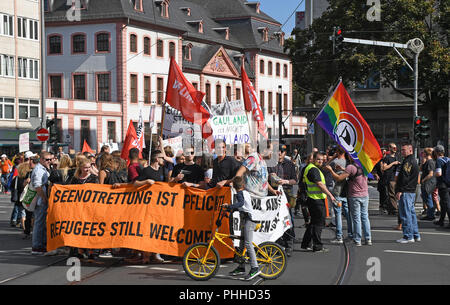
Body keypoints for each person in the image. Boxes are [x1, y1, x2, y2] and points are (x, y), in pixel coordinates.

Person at [129, 150, 165, 264]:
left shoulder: (162, 170)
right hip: (147, 205)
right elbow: (135, 184)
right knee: (146, 229)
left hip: (159, 205)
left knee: (157, 229)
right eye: (161, 158)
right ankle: (145, 256)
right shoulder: (147, 170)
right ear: (156, 159)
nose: (163, 159)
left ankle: (155, 254)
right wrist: (146, 181)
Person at [327, 157, 371, 246]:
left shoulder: (350, 167)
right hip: (365, 195)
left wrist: (331, 170)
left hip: (355, 195)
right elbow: (356, 172)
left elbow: (339, 178)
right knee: (365, 217)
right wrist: (343, 169)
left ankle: (357, 240)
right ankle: (368, 239)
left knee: (356, 218)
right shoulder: (365, 166)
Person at [225, 176, 261, 281]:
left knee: (248, 243)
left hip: (250, 220)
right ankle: (241, 267)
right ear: (243, 185)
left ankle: (255, 268)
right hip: (246, 220)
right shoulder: (244, 192)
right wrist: (229, 209)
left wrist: (229, 206)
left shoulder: (240, 194)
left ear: (234, 187)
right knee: (241, 243)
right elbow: (242, 206)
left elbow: (240, 204)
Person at [300, 151, 336, 252]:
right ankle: (317, 246)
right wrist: (330, 195)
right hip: (316, 199)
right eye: (318, 159)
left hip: (313, 198)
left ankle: (306, 243)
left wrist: (333, 157)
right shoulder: (313, 170)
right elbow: (320, 184)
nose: (320, 161)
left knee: (313, 222)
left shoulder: (310, 168)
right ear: (313, 159)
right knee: (319, 223)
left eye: (321, 160)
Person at [268, 144, 298, 256]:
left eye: (282, 151)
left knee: (287, 218)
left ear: (285, 153)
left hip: (286, 193)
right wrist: (271, 177)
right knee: (274, 219)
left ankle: (289, 243)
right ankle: (277, 243)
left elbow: (295, 180)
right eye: (278, 151)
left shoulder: (289, 164)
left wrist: (285, 181)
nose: (279, 153)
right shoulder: (270, 163)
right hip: (273, 194)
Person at [324, 147, 353, 243]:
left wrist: (332, 158)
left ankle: (339, 236)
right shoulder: (349, 163)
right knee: (348, 213)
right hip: (346, 191)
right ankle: (350, 234)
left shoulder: (335, 162)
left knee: (338, 214)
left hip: (337, 190)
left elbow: (325, 167)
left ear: (337, 152)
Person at [395, 143, 421, 243]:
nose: (402, 152)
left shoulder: (408, 162)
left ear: (410, 150)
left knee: (405, 215)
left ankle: (408, 236)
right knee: (411, 214)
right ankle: (415, 235)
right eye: (401, 150)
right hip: (410, 191)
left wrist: (400, 190)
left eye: (404, 150)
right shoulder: (413, 160)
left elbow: (405, 177)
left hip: (406, 191)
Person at [30, 151, 54, 255]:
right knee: (39, 223)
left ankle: (42, 244)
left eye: (50, 159)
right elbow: (38, 186)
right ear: (41, 159)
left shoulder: (44, 168)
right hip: (41, 200)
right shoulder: (39, 169)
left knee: (43, 222)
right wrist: (44, 198)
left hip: (43, 198)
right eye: (47, 159)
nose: (49, 161)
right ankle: (37, 246)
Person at [381, 143, 402, 230]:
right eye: (393, 147)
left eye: (395, 147)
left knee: (394, 193)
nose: (395, 149)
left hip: (395, 178)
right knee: (391, 194)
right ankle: (395, 209)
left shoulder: (397, 157)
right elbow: (384, 168)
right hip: (389, 178)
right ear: (389, 148)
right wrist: (393, 163)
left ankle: (392, 209)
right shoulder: (387, 158)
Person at [433, 145, 449, 227]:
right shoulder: (447, 159)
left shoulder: (439, 160)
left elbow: (439, 173)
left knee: (446, 203)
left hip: (442, 185)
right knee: (443, 203)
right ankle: (441, 220)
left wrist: (434, 174)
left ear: (437, 152)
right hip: (448, 183)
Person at [419, 148, 437, 220]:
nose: (422, 155)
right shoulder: (427, 161)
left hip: (428, 183)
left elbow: (430, 174)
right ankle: (429, 214)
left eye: (423, 153)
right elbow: (420, 168)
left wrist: (423, 180)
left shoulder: (430, 162)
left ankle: (431, 215)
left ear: (426, 154)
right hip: (426, 183)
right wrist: (422, 161)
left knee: (428, 198)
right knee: (426, 198)